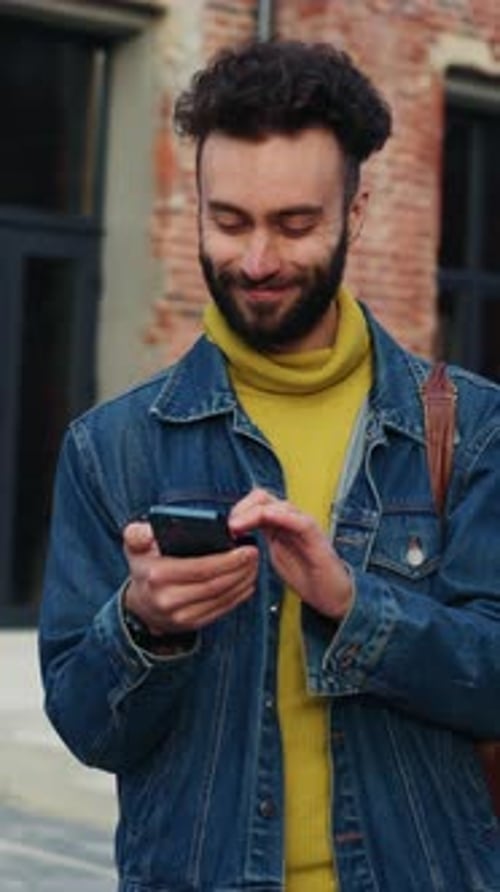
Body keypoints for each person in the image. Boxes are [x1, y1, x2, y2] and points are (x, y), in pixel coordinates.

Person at [39, 38, 500, 892]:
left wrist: (355, 604)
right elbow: (87, 729)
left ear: (356, 213)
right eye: (229, 222)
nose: (256, 262)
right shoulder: (111, 447)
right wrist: (144, 624)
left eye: (294, 225)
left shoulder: (471, 429)